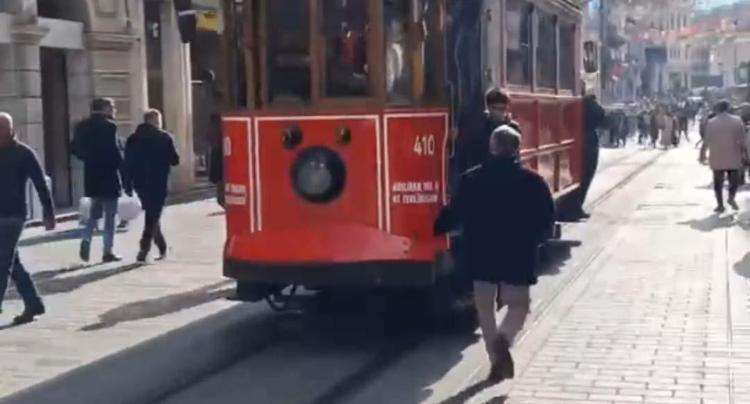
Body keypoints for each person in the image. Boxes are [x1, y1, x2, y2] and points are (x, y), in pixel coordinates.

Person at [434, 125, 555, 383]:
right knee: (519, 306)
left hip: (480, 254)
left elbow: (454, 213)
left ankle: (495, 358)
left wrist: (438, 226)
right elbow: (547, 219)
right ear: (517, 149)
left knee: (485, 308)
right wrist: (537, 241)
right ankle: (504, 339)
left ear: (492, 148)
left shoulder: (471, 179)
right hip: (517, 255)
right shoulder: (533, 182)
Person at [0, 112, 55, 324]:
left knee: (2, 261)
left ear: (10, 130)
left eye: (1, 129)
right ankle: (33, 304)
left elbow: (40, 183)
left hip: (13, 215)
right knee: (11, 261)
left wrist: (48, 213)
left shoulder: (23, 153)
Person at [71, 98, 128, 263]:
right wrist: (124, 171)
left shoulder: (82, 126)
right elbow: (115, 152)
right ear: (104, 108)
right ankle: (107, 251)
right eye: (112, 107)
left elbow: (74, 148)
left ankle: (86, 237)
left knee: (94, 214)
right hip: (109, 175)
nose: (114, 110)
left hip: (92, 175)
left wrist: (88, 158)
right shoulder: (109, 126)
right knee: (110, 216)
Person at [124, 109, 180, 262]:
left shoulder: (133, 139)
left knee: (152, 213)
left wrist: (127, 184)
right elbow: (175, 160)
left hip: (140, 182)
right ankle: (145, 247)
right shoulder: (164, 137)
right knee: (153, 214)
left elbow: (127, 163)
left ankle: (161, 246)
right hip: (158, 181)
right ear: (155, 120)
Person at [701, 100, 746, 213]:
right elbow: (742, 139)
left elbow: (706, 140)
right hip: (733, 154)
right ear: (729, 108)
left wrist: (702, 154)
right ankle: (731, 197)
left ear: (718, 109)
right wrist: (744, 154)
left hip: (717, 155)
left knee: (718, 182)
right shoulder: (737, 120)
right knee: (734, 180)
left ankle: (720, 205)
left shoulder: (712, 122)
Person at [567, 93, 605, 220]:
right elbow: (601, 116)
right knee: (585, 175)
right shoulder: (589, 104)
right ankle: (574, 207)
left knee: (574, 175)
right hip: (588, 142)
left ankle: (570, 206)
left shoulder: (572, 104)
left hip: (573, 139)